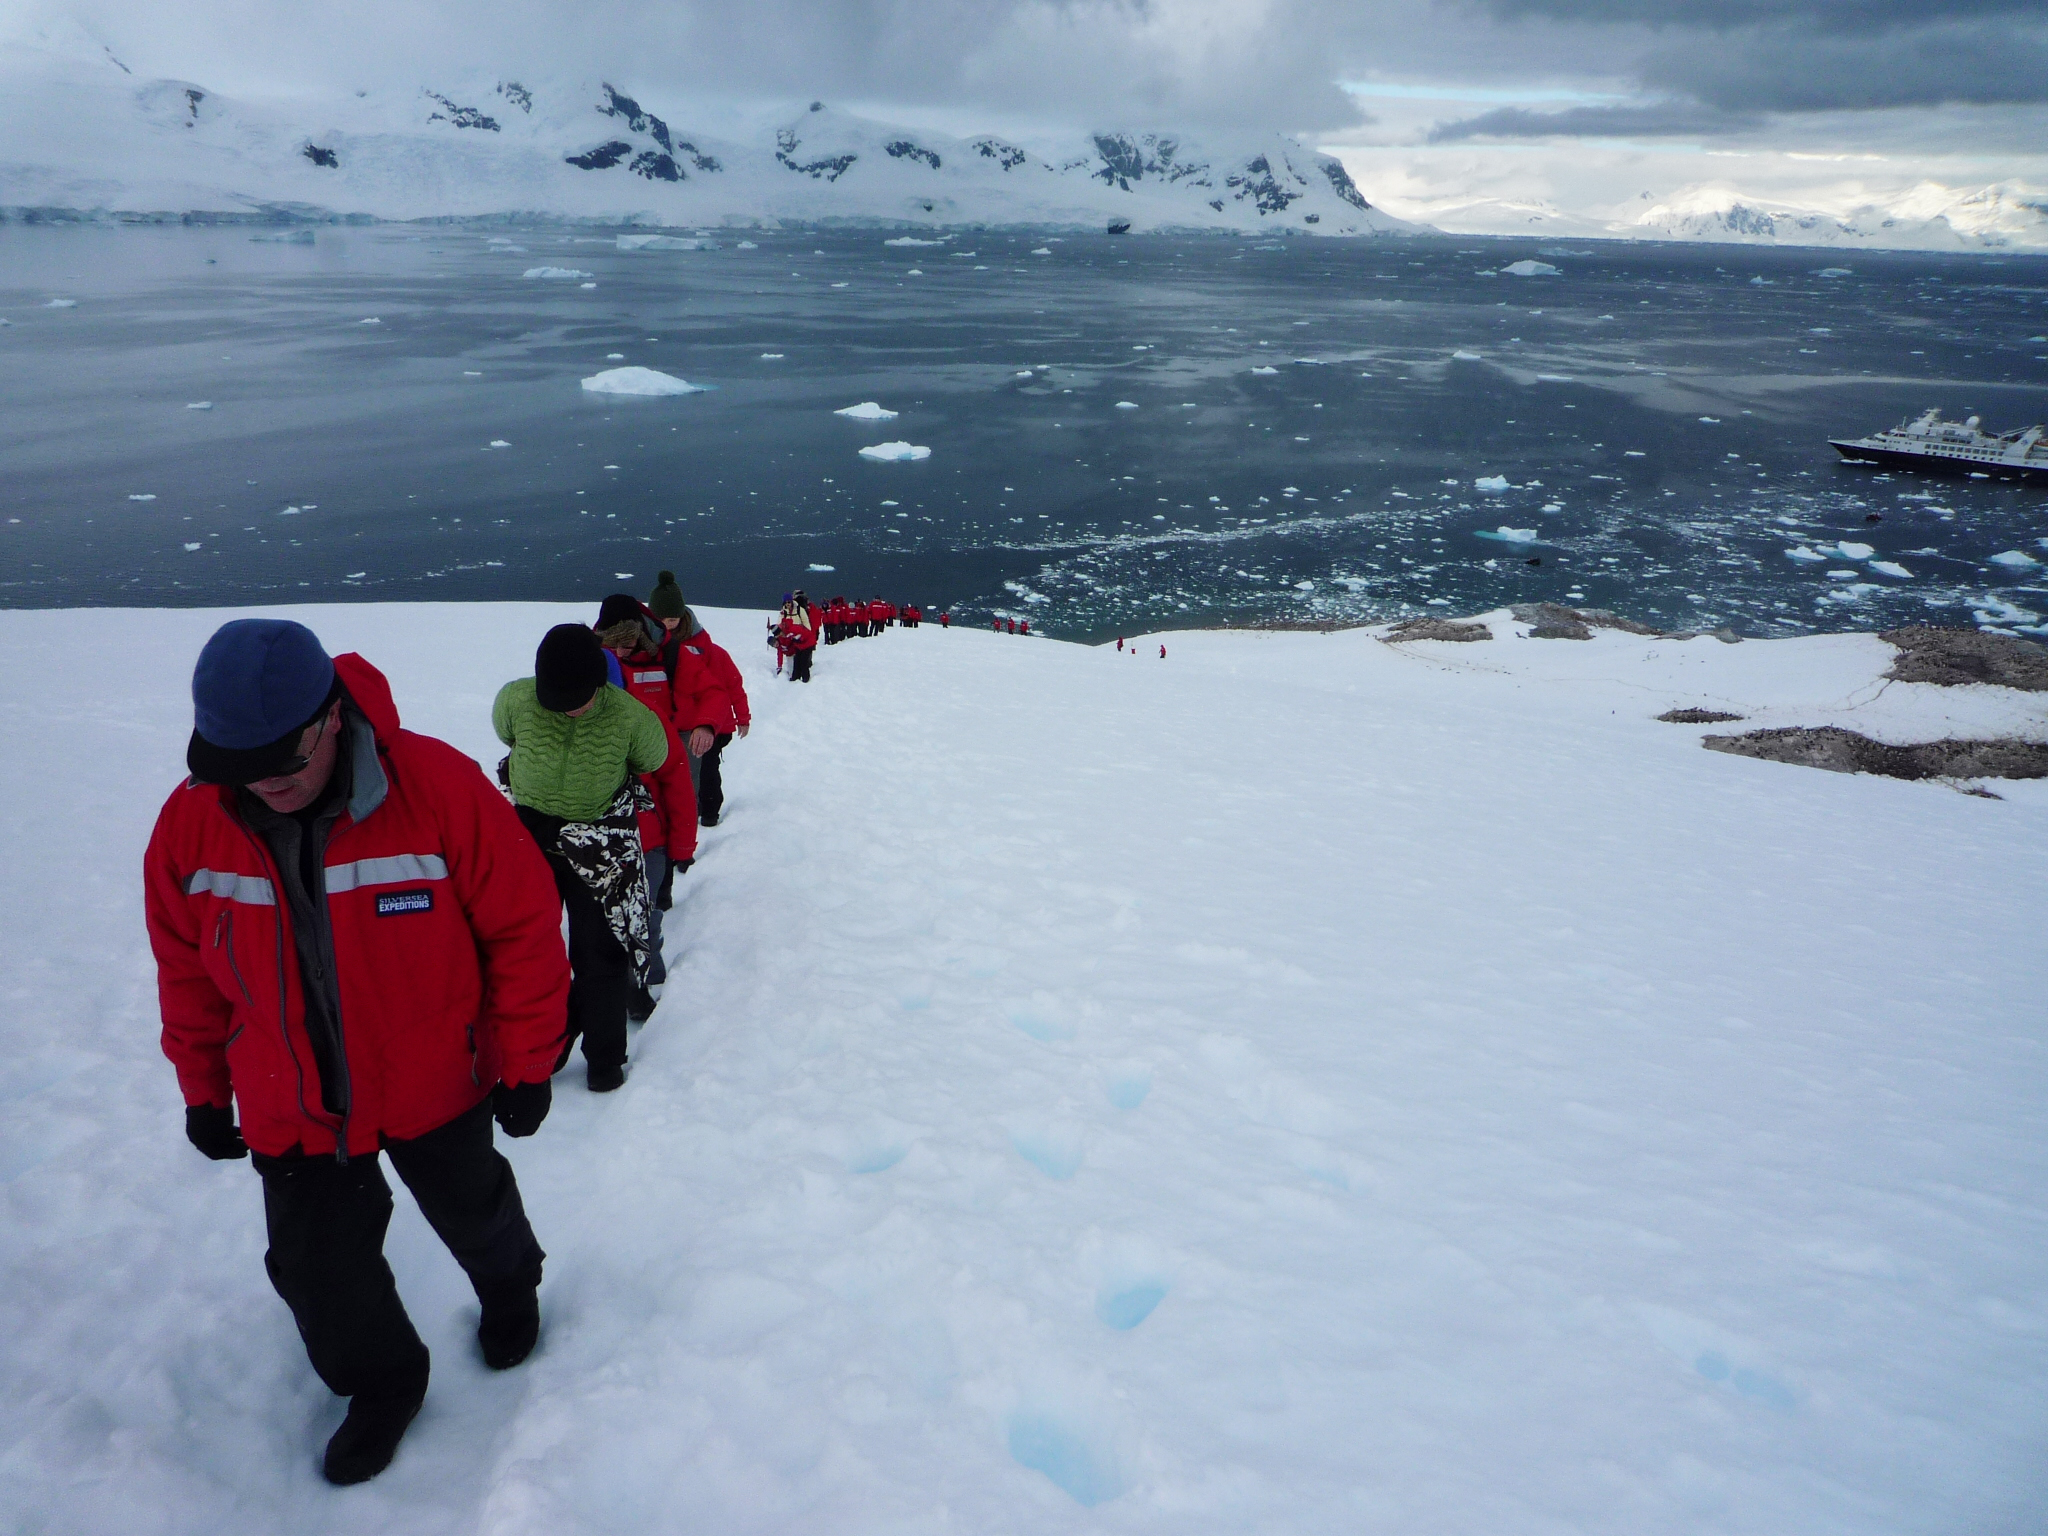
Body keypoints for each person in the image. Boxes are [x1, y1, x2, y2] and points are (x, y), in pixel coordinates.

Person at [145, 619, 569, 1486]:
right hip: (286, 1096)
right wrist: (202, 1087)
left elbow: (524, 928)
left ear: (331, 716)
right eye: (241, 765)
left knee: (472, 1205)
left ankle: (510, 1287)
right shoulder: (191, 828)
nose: (268, 783)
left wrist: (530, 1062)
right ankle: (383, 1383)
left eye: (285, 758)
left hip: (432, 1077)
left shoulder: (439, 789)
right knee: (313, 1269)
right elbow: (186, 969)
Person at [494, 625, 669, 1094]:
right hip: (531, 841)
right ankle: (539, 1051)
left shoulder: (629, 715)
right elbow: (504, 729)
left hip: (600, 849)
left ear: (599, 682)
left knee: (600, 956)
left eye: (580, 698)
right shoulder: (517, 698)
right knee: (528, 953)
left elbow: (655, 756)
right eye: (558, 698)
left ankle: (605, 1060)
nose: (570, 707)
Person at [593, 596, 700, 1022]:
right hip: (604, 841)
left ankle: (651, 983)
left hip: (650, 837)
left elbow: (676, 782)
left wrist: (681, 847)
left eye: (625, 645)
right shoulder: (574, 717)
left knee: (649, 915)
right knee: (606, 926)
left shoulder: (648, 718)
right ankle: (623, 990)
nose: (620, 653)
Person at [647, 573, 751, 827]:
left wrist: (742, 718)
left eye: (672, 619)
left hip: (709, 726)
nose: (667, 625)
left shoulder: (710, 652)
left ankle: (708, 812)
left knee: (706, 770)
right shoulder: (649, 646)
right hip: (669, 725)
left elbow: (730, 687)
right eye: (661, 620)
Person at [777, 598, 819, 681]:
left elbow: (806, 633)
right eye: (786, 602)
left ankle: (805, 678)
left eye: (789, 602)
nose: (787, 604)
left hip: (807, 643)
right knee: (797, 660)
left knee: (803, 661)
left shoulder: (794, 627)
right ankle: (795, 677)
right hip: (799, 644)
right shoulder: (784, 616)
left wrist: (799, 640)